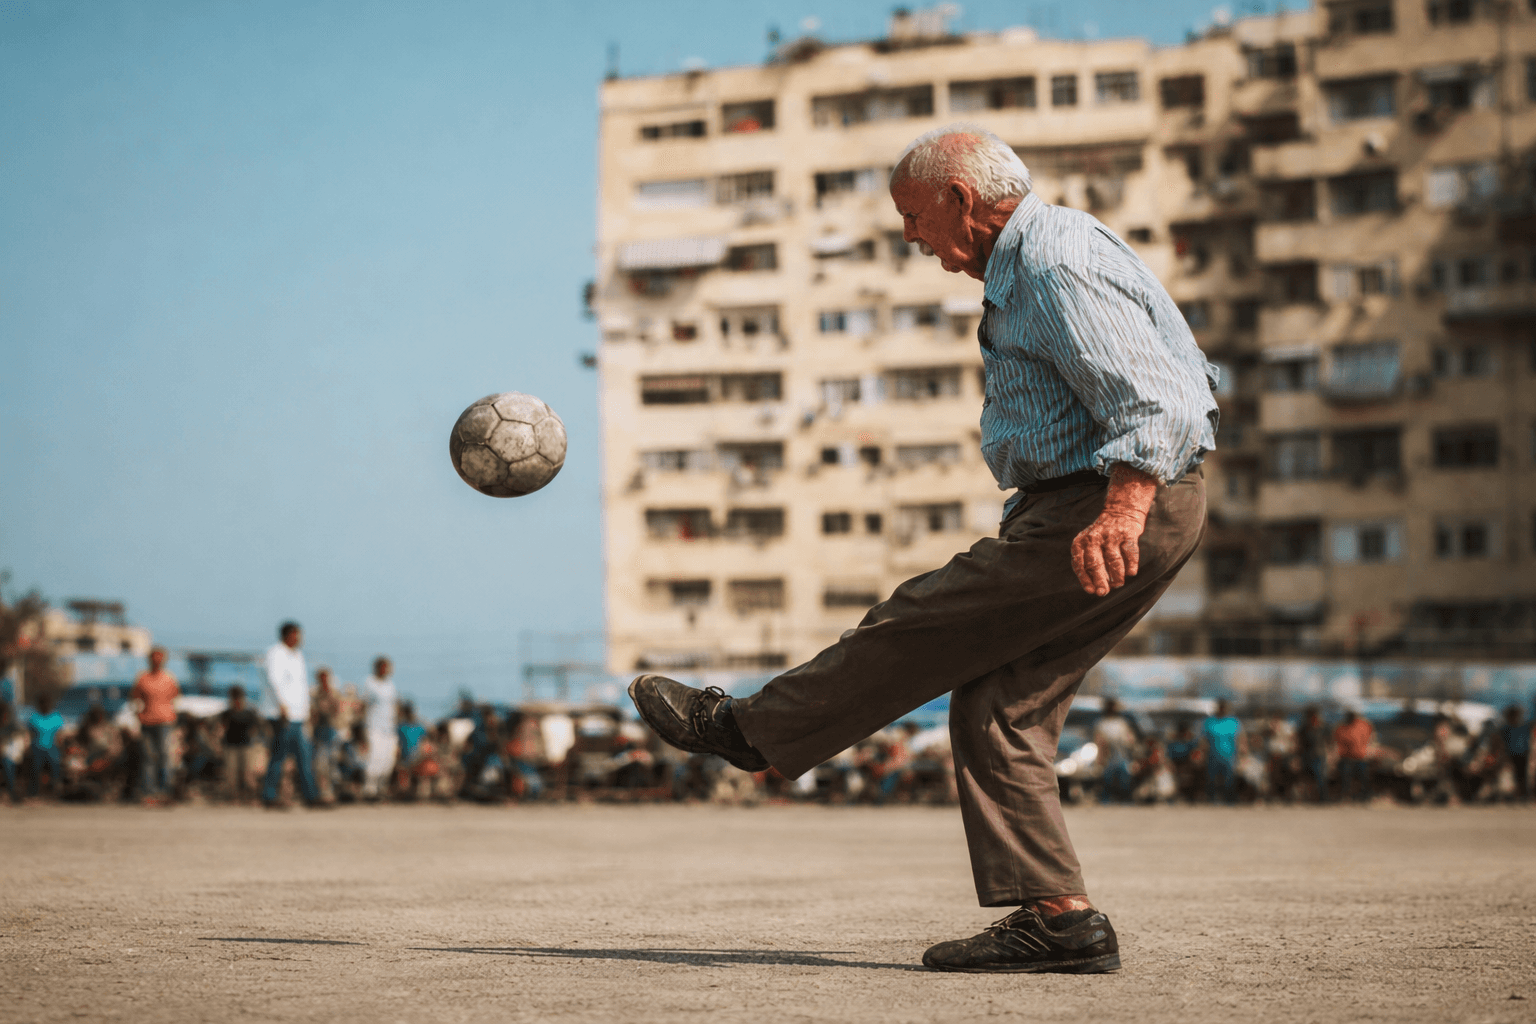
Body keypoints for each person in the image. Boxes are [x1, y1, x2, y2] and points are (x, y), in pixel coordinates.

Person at [629, 123, 1218, 974]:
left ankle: (750, 731)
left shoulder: (1053, 264)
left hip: (1107, 502)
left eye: (912, 216)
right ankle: (1060, 919)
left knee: (921, 620)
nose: (911, 236)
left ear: (959, 198)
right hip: (1128, 500)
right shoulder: (1049, 254)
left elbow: (1161, 397)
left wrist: (1123, 507)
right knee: (999, 706)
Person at [258, 621, 321, 808]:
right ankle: (269, 796)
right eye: (297, 634)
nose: (300, 639)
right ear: (288, 635)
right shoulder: (275, 653)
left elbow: (301, 686)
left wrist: (307, 710)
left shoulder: (298, 656)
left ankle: (311, 796)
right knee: (278, 756)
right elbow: (274, 680)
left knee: (305, 756)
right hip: (282, 714)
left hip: (298, 715)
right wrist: (282, 706)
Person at [130, 647, 181, 804]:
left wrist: (173, 716)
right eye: (154, 658)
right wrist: (138, 715)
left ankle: (165, 791)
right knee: (148, 758)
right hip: (147, 722)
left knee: (166, 757)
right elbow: (135, 698)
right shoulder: (143, 678)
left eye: (160, 658)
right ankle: (149, 792)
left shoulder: (169, 678)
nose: (157, 661)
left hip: (165, 722)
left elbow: (176, 698)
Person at [361, 657, 398, 800]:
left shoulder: (390, 685)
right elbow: (364, 704)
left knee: (387, 760)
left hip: (389, 728)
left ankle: (382, 789)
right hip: (374, 726)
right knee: (374, 759)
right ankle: (370, 790)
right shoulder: (370, 683)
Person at [219, 685, 261, 801]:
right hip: (230, 746)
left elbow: (255, 730)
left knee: (247, 774)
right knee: (231, 774)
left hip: (246, 746)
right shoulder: (227, 713)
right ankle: (235, 797)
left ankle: (250, 796)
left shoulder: (249, 713)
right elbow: (221, 729)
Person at [1092, 699, 1137, 805]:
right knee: (1107, 778)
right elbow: (1099, 740)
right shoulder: (1101, 723)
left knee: (1124, 779)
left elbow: (1130, 739)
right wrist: (1100, 758)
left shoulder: (1122, 722)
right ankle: (1106, 800)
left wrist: (1131, 744)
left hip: (1122, 754)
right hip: (1108, 755)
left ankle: (1125, 800)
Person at [1201, 701, 1244, 805]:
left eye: (1224, 707)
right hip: (1212, 755)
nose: (1222, 709)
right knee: (1211, 779)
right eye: (1220, 707)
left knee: (1229, 778)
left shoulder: (1234, 722)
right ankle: (1211, 799)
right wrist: (1202, 753)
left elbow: (1241, 738)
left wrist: (1242, 754)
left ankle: (1229, 799)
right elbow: (1203, 739)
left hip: (1230, 755)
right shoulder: (1209, 722)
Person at [311, 667, 341, 802]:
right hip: (319, 731)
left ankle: (329, 792)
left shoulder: (333, 692)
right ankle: (322, 792)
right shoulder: (315, 693)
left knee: (331, 763)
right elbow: (314, 713)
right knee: (320, 763)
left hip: (331, 730)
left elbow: (337, 710)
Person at [27, 693, 66, 798]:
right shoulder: (34, 718)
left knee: (56, 765)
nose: (45, 705)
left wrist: (62, 748)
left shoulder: (56, 717)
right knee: (35, 767)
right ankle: (33, 792)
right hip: (37, 747)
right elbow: (29, 735)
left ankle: (54, 791)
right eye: (43, 703)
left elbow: (60, 736)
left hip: (52, 747)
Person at [1334, 709, 1374, 803]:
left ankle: (1365, 796)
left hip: (1360, 757)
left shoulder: (1363, 725)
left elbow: (1369, 738)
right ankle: (1346, 796)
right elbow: (1337, 742)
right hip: (1347, 758)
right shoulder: (1341, 727)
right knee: (1345, 776)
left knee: (1364, 776)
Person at [1296, 706, 1330, 803]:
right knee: (1308, 778)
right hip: (1306, 756)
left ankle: (1323, 798)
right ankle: (1311, 798)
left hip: (1319, 755)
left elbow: (1329, 742)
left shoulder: (1323, 727)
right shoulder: (1304, 728)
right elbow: (1300, 743)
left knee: (1320, 777)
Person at [1497, 705, 1531, 803]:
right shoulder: (1506, 729)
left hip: (1523, 755)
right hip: (1511, 755)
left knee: (1522, 775)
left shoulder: (1524, 727)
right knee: (1513, 776)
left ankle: (1523, 795)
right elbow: (1503, 743)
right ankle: (1514, 795)